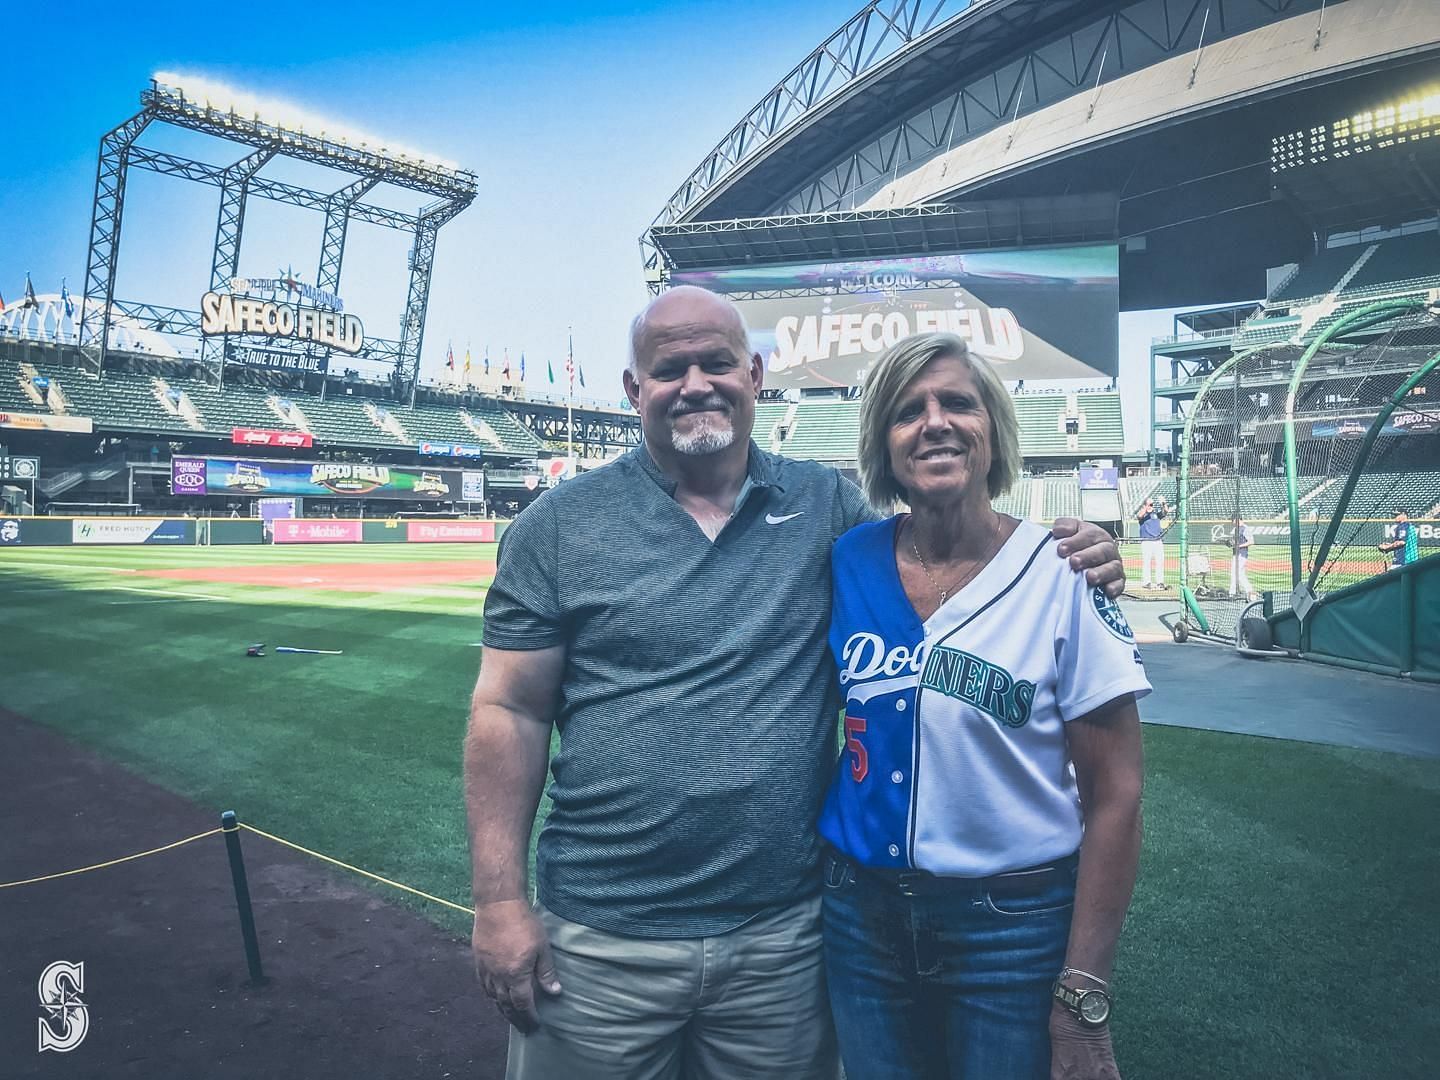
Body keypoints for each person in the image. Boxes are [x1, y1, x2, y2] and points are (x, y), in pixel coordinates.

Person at [463, 286, 1127, 1080]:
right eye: (670, 368)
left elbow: (948, 532)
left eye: (716, 362)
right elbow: (508, 708)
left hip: (785, 936)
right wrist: (499, 901)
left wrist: (1084, 545)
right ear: (634, 390)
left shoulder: (827, 509)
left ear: (755, 374)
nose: (696, 383)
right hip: (604, 935)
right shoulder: (558, 526)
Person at [817, 333, 1149, 1080]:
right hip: (858, 913)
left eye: (958, 403)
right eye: (907, 412)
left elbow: (1117, 794)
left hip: (1011, 924)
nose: (934, 422)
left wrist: (1085, 992)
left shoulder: (1063, 571)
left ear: (992, 430)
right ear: (883, 445)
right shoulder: (848, 559)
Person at [1136, 494, 1168, 590]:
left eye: (1152, 504)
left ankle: (1160, 582)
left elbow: (1165, 511)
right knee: (1146, 562)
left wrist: (1163, 503)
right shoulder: (1144, 514)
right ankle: (1147, 582)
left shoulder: (1156, 514)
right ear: (1145, 505)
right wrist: (1146, 507)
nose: (1152, 506)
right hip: (1146, 541)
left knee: (1160, 562)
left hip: (1157, 540)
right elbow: (1139, 516)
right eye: (1150, 504)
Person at [1228, 514, 1253, 598]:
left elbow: (1251, 541)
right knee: (1240, 575)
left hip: (1242, 554)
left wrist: (1239, 546)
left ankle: (1232, 593)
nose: (1232, 522)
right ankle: (1250, 591)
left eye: (1233, 520)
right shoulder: (1236, 529)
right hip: (1236, 554)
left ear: (1237, 519)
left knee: (1234, 573)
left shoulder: (1245, 528)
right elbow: (1233, 541)